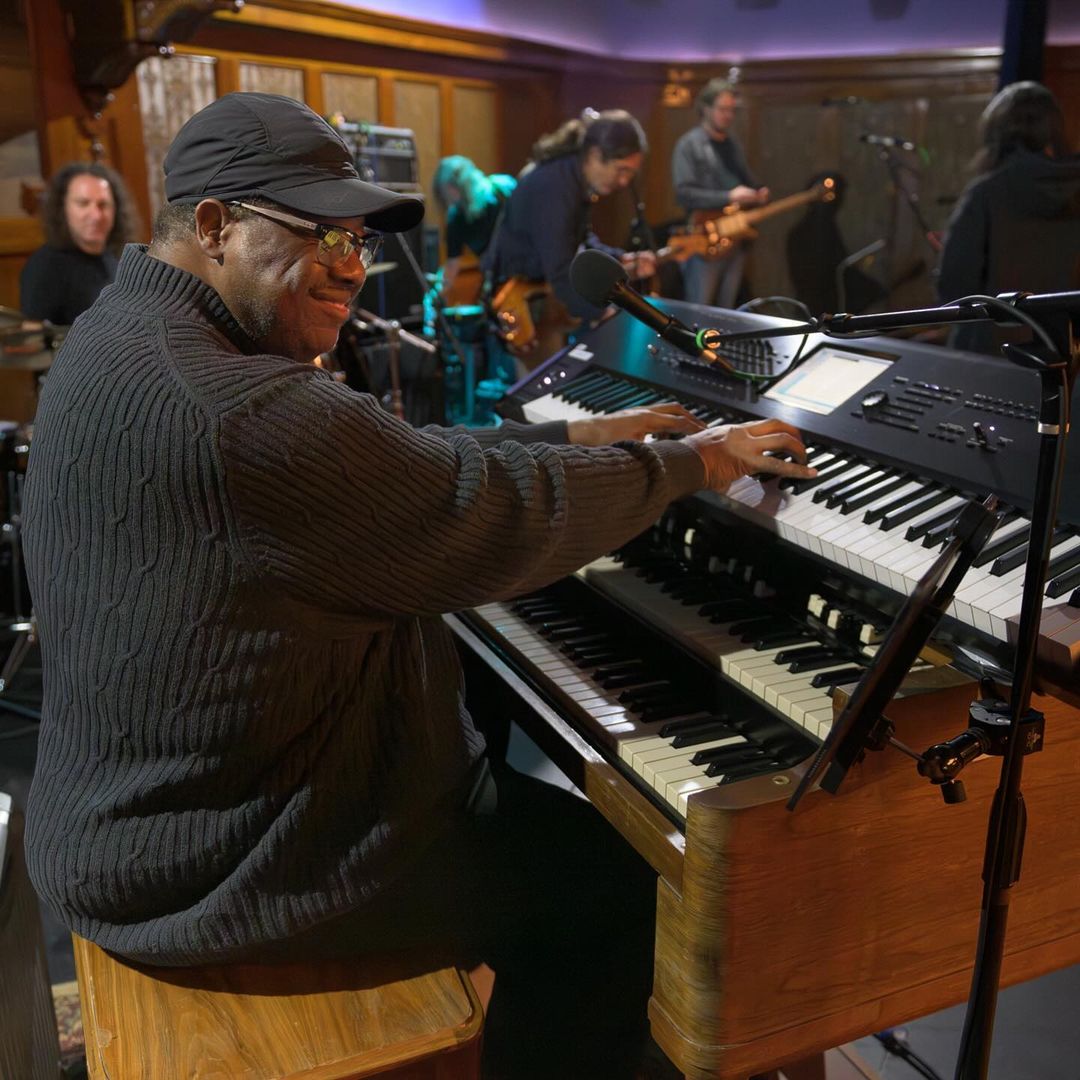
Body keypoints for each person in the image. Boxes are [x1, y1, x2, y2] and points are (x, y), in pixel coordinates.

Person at [21, 91, 814, 1077]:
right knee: (625, 886)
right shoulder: (235, 407)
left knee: (476, 685)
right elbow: (476, 505)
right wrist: (696, 460)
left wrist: (575, 433)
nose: (354, 266)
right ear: (218, 227)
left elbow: (390, 460)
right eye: (323, 235)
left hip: (129, 821)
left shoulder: (119, 333)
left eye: (359, 236)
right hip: (218, 865)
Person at [486, 108, 659, 360]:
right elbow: (560, 268)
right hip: (523, 303)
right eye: (621, 170)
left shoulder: (571, 178)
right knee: (539, 391)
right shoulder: (555, 187)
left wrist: (620, 258)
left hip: (539, 297)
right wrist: (602, 314)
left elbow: (580, 240)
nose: (623, 182)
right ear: (595, 155)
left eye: (630, 174)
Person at [936, 80, 1080, 354]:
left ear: (995, 131)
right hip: (1065, 352)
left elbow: (955, 289)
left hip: (990, 355)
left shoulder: (987, 193)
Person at [672, 78, 769, 309]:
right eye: (722, 109)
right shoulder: (689, 145)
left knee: (728, 308)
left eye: (732, 110)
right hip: (704, 235)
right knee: (700, 307)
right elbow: (684, 194)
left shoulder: (732, 144)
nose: (728, 115)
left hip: (734, 234)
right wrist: (728, 197)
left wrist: (757, 193)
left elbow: (744, 179)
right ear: (705, 108)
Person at [19, 161, 138, 325]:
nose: (96, 215)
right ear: (63, 208)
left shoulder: (121, 258)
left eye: (103, 205)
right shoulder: (44, 265)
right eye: (83, 203)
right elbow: (33, 338)